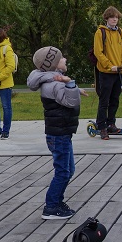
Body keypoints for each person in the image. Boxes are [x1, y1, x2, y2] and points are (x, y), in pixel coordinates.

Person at [27, 46, 87, 220]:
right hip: (59, 134)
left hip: (60, 133)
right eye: (61, 58)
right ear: (53, 64)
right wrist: (70, 84)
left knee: (68, 169)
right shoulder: (55, 84)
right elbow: (70, 101)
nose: (65, 60)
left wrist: (74, 88)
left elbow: (67, 95)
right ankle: (51, 206)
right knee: (63, 171)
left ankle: (57, 202)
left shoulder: (51, 81)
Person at [93, 6, 122, 140]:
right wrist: (110, 66)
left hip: (118, 72)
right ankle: (101, 126)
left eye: (116, 17)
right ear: (106, 18)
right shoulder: (100, 32)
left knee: (115, 99)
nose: (115, 19)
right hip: (106, 72)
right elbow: (98, 52)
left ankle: (111, 123)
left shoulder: (120, 32)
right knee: (104, 100)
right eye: (112, 17)